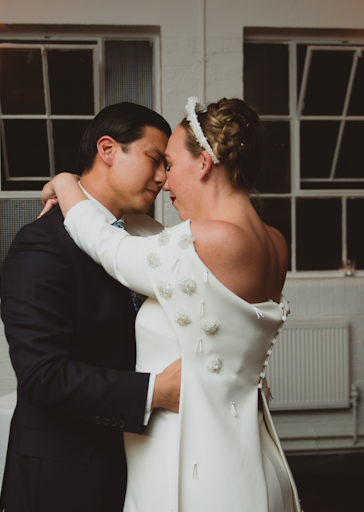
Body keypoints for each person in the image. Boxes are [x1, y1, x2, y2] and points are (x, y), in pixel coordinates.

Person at [43, 97, 301, 512]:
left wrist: (66, 182)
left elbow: (112, 249)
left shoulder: (210, 240)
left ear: (202, 165)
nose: (163, 180)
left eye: (170, 163)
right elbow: (163, 246)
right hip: (245, 454)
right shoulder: (272, 241)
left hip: (196, 465)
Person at [0, 102, 182, 512]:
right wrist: (156, 391)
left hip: (133, 462)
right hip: (66, 474)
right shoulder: (42, 244)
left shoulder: (137, 237)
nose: (162, 178)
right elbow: (42, 376)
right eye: (155, 160)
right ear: (108, 149)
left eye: (167, 166)